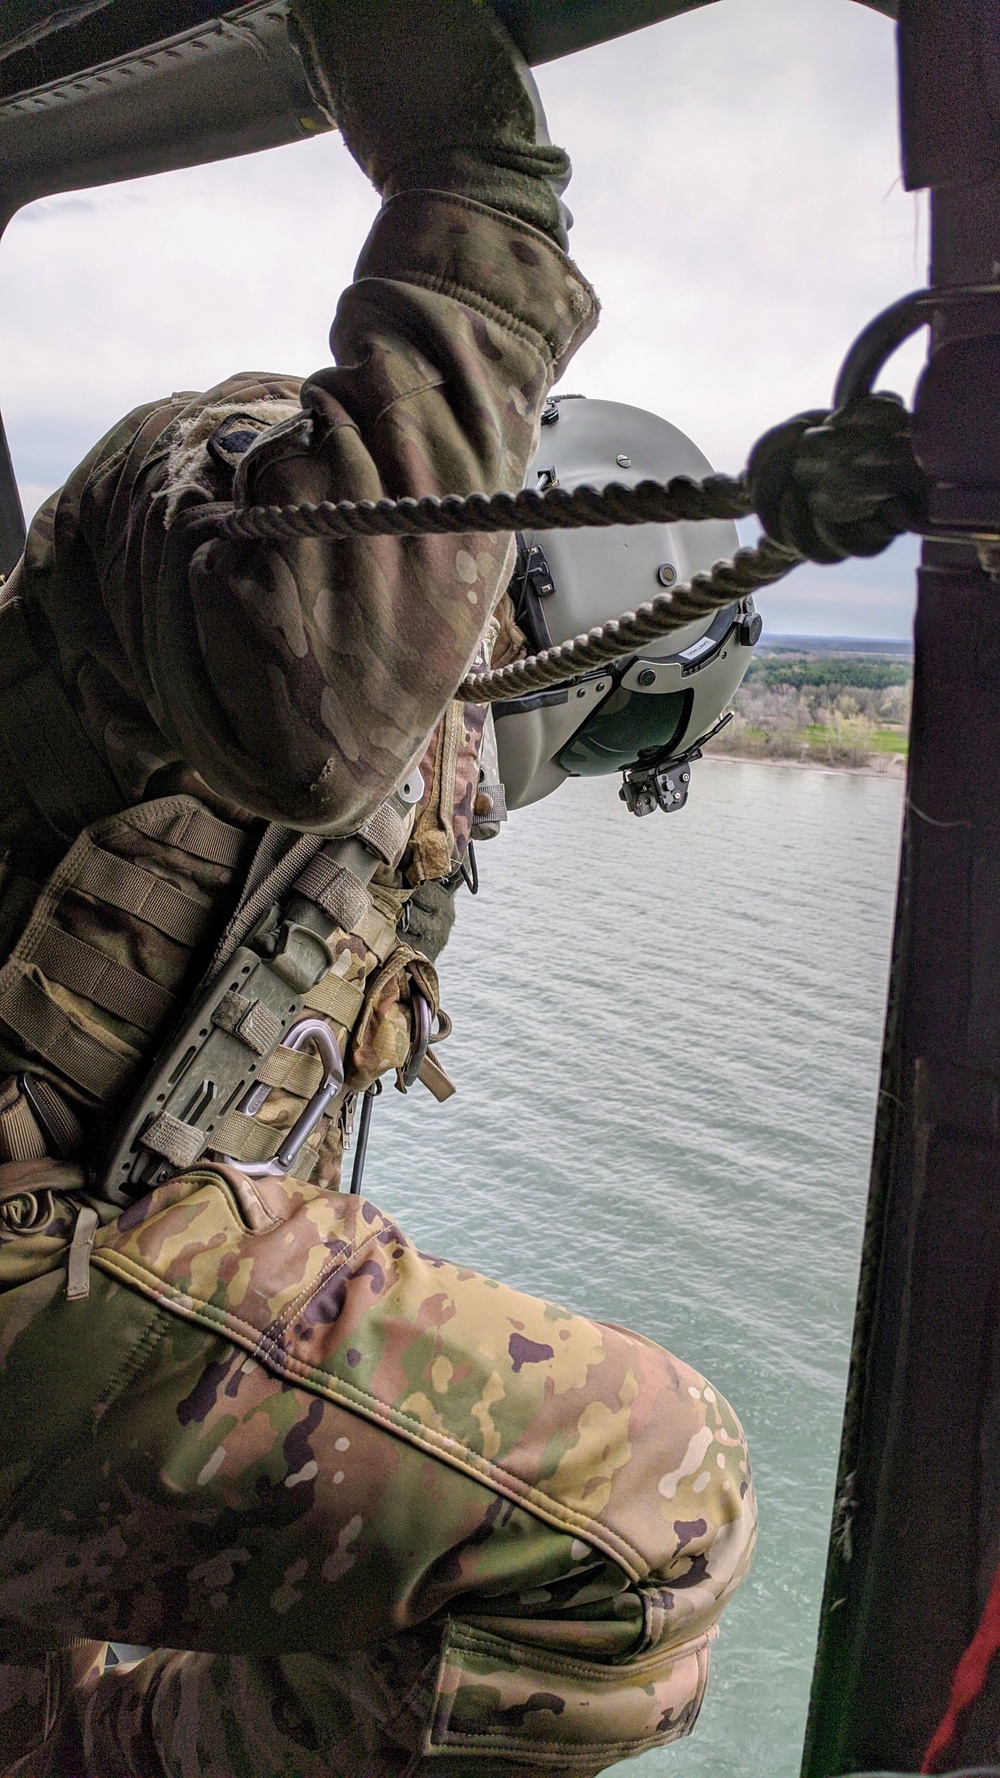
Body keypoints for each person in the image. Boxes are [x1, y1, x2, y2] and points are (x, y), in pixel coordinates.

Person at [0, 3, 757, 1773]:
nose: (491, 780)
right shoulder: (243, 493)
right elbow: (313, 692)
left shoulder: (384, 787)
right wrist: (477, 200)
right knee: (653, 1520)